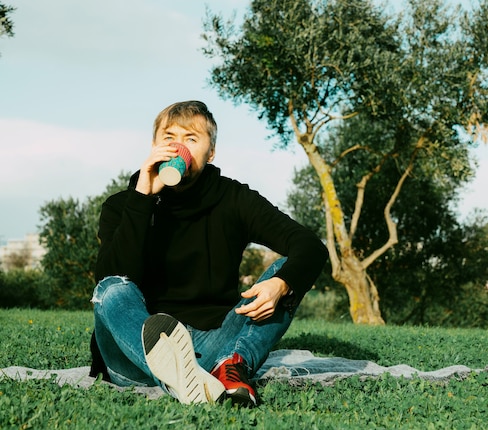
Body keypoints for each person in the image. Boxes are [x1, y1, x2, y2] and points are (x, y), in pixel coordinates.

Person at [89, 100, 328, 407]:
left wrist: (281, 284)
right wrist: (142, 199)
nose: (178, 147)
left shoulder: (234, 198)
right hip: (135, 352)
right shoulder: (122, 205)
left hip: (212, 342)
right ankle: (179, 376)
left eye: (190, 139)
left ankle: (229, 367)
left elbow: (310, 246)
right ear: (154, 146)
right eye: (169, 137)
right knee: (110, 289)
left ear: (210, 152)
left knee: (286, 271)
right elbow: (111, 278)